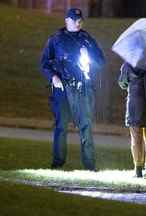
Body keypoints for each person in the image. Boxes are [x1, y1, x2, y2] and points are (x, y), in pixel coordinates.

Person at [40, 8, 105, 171]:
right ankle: (58, 163)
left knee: (85, 125)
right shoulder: (56, 39)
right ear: (66, 20)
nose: (78, 22)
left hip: (82, 89)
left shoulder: (87, 39)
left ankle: (90, 165)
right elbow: (44, 63)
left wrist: (88, 52)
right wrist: (53, 77)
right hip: (62, 88)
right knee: (61, 125)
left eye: (80, 19)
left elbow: (101, 60)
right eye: (75, 19)